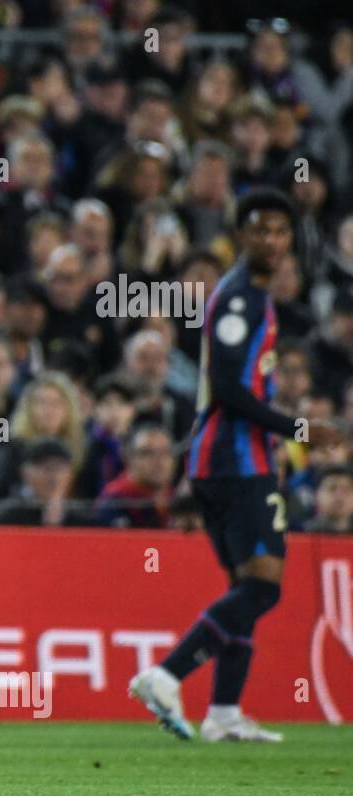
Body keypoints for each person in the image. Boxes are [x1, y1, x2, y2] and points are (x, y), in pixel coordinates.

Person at [130, 189, 316, 743]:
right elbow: (232, 392)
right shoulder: (240, 300)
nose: (273, 241)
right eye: (261, 230)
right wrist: (299, 429)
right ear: (240, 235)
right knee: (263, 588)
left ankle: (225, 712)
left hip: (229, 460)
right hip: (236, 461)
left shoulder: (252, 295)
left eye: (281, 231)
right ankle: (166, 675)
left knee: (244, 585)